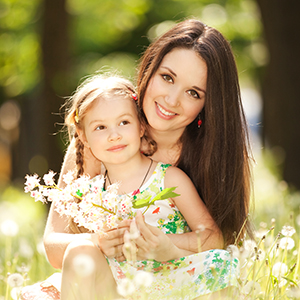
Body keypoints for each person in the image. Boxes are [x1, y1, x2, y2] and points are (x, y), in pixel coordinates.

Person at [34, 18, 253, 300]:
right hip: (104, 283)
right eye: (167, 77)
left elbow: (219, 241)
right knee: (80, 253)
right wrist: (98, 241)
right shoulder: (98, 144)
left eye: (193, 93)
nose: (172, 100)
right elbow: (53, 247)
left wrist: (169, 248)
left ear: (207, 106)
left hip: (173, 285)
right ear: (149, 70)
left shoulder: (213, 160)